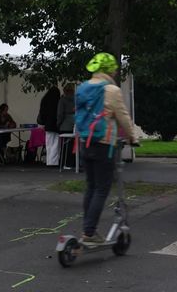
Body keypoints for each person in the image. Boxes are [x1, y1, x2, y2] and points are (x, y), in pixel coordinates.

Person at [77, 53, 138, 244]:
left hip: (84, 142)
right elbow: (123, 117)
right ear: (109, 69)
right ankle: (89, 232)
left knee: (91, 186)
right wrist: (132, 137)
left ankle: (88, 229)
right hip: (103, 144)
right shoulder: (111, 90)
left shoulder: (83, 87)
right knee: (102, 188)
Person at [38, 86, 60, 166]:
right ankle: (54, 162)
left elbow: (42, 113)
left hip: (47, 124)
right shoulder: (58, 101)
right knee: (55, 144)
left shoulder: (44, 100)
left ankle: (49, 161)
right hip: (56, 125)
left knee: (48, 144)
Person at [57, 84, 75, 168]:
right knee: (72, 145)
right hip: (74, 124)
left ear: (64, 91)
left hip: (65, 124)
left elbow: (60, 114)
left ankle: (64, 163)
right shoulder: (76, 100)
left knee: (64, 146)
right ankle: (72, 163)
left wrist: (58, 124)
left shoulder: (62, 100)